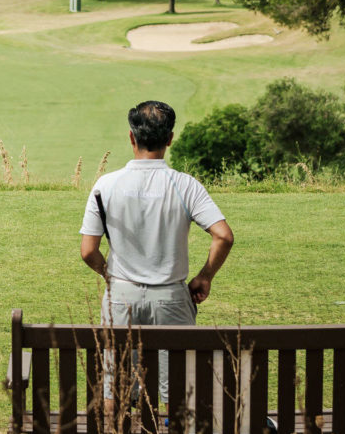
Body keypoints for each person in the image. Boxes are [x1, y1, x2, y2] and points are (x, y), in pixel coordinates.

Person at [79, 100, 234, 405]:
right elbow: (223, 236)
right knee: (179, 388)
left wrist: (110, 274)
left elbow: (88, 251)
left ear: (131, 137)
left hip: (122, 296)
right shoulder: (185, 185)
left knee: (116, 387)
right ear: (170, 139)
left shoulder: (105, 185)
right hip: (173, 298)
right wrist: (205, 276)